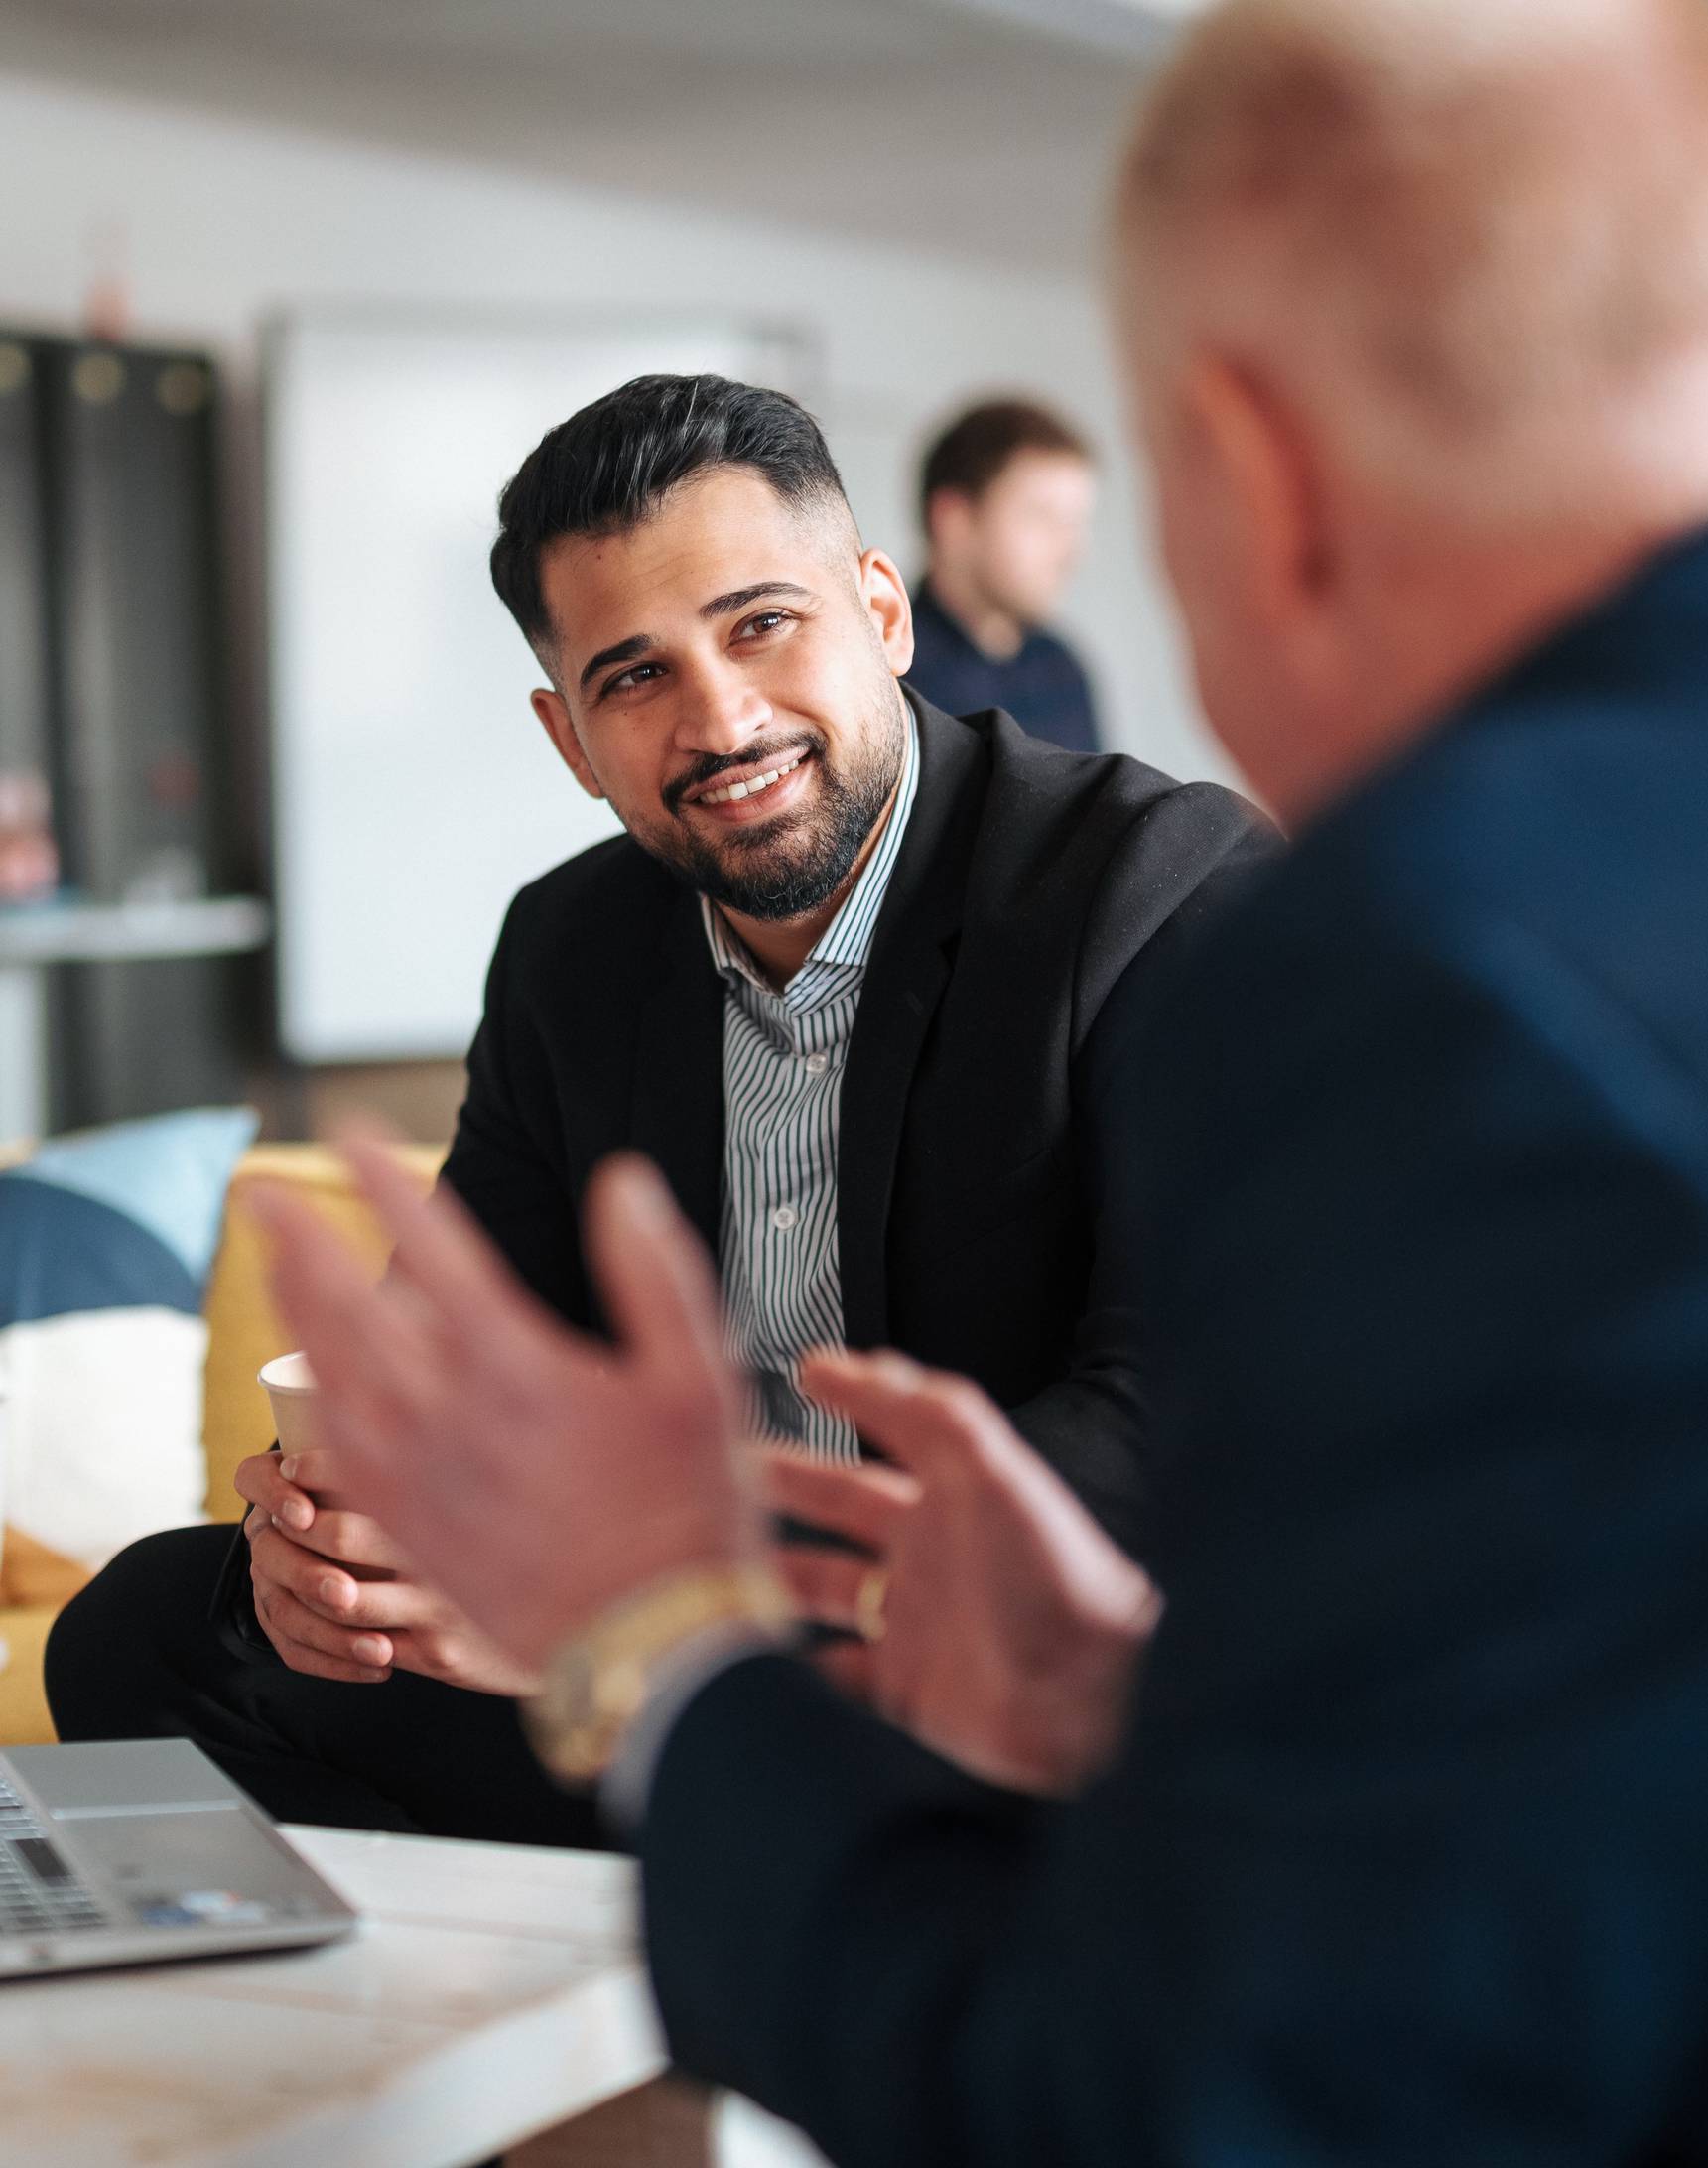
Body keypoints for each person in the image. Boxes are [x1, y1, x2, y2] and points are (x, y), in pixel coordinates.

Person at [256, 0, 1708, 2160]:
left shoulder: (1470, 971)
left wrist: (661, 1631)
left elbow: (1203, 2107)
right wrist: (1131, 1697)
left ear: (1245, 466)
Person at [44, 372, 1266, 1848]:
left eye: (762, 625)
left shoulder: (1153, 888)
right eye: (634, 677)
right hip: (656, 1682)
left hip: (982, 1671)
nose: (722, 719)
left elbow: (1176, 1418)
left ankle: (745, 1891)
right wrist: (327, 1543)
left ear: (882, 612)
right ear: (570, 740)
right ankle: (651, 1913)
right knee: (152, 1631)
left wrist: (656, 1600)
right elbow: (457, 1362)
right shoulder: (570, 950)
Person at [903, 398, 1104, 752]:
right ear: (954, 521)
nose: (1071, 553)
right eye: (1041, 517)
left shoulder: (1063, 669)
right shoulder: (891, 679)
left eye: (1073, 523)